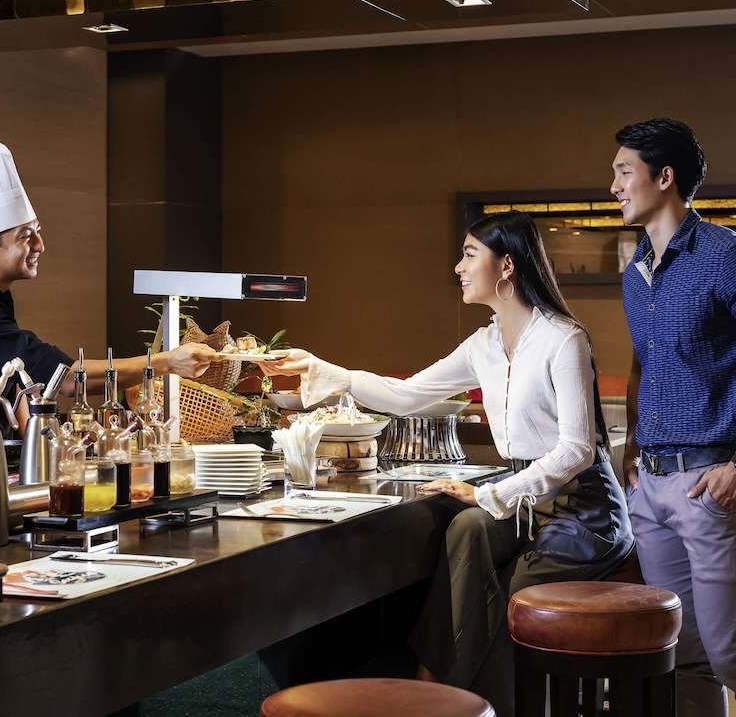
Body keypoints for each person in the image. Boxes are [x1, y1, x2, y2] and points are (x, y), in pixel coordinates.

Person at [260, 210, 633, 716]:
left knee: (512, 596)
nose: (458, 266)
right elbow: (407, 395)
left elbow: (577, 450)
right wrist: (326, 370)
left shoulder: (563, 338)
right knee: (466, 531)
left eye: (469, 254)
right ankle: (435, 691)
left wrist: (489, 493)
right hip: (526, 501)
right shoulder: (484, 344)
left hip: (583, 508)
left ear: (506, 266)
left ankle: (470, 701)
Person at [613, 117, 736, 717]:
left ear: (664, 177)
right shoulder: (636, 273)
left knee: (734, 654)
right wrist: (632, 451)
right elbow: (644, 365)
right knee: (684, 657)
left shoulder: (732, 258)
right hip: (651, 487)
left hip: (713, 484)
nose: (614, 187)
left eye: (624, 172)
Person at [0, 141, 218, 442]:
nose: (40, 246)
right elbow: (67, 379)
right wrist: (167, 362)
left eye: (37, 232)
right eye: (25, 236)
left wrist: (42, 446)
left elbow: (20, 380)